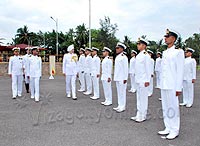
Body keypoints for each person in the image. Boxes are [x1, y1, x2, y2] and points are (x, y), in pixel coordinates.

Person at [158, 29, 184, 140]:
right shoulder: (165, 52)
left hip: (173, 84)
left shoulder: (178, 52)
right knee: (166, 107)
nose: (165, 38)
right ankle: (168, 127)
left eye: (167, 36)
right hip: (164, 84)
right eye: (165, 36)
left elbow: (180, 70)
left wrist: (178, 87)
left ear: (173, 38)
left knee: (173, 107)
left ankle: (174, 129)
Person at [130, 38, 151, 122]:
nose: (137, 46)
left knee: (143, 99)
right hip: (138, 80)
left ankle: (143, 115)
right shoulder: (139, 55)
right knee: (138, 98)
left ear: (144, 45)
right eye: (137, 44)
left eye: (139, 44)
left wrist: (147, 80)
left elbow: (148, 69)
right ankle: (138, 114)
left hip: (143, 80)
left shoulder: (146, 55)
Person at [113, 42, 128, 113]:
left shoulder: (124, 57)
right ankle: (119, 105)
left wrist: (125, 78)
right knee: (119, 92)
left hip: (122, 77)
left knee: (122, 92)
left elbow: (125, 68)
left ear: (122, 49)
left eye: (117, 48)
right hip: (118, 77)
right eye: (116, 48)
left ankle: (123, 106)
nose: (116, 49)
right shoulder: (118, 56)